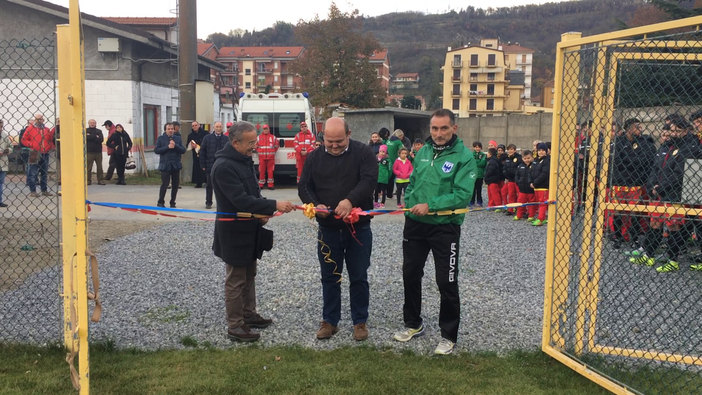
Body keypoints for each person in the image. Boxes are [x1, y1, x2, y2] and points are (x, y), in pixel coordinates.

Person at [393, 108, 476, 356]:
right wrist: (409, 205)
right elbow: (414, 183)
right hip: (416, 224)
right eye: (434, 128)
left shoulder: (465, 157)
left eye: (443, 128)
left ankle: (448, 335)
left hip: (444, 227)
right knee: (410, 274)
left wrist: (431, 206)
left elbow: (462, 195)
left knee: (446, 281)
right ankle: (413, 324)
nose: (438, 133)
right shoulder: (423, 151)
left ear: (454, 128)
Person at [211, 121, 295, 342]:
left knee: (249, 275)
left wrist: (262, 211)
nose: (255, 146)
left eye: (255, 141)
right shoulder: (224, 167)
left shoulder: (243, 160)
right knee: (236, 279)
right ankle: (235, 326)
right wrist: (273, 205)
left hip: (250, 229)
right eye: (250, 143)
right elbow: (240, 200)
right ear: (235, 142)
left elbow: (253, 194)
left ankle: (249, 315)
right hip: (234, 233)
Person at [298, 117, 377, 342]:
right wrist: (315, 204)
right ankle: (330, 321)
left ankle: (359, 321)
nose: (333, 146)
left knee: (359, 276)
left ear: (349, 134)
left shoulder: (364, 153)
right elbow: (304, 186)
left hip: (358, 229)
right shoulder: (314, 157)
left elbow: (370, 180)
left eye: (339, 141)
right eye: (329, 141)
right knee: (329, 276)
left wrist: (350, 200)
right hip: (328, 229)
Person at [631, 116, 698, 272]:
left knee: (673, 225)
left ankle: (672, 259)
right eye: (672, 130)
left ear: (686, 131)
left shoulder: (690, 148)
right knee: (655, 222)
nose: (673, 134)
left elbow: (679, 174)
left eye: (677, 131)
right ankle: (649, 254)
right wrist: (652, 186)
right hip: (659, 193)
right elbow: (656, 168)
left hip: (674, 193)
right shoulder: (667, 146)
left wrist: (659, 187)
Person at [609, 118, 655, 249]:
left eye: (640, 127)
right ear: (628, 129)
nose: (640, 129)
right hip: (619, 182)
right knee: (618, 211)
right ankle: (617, 237)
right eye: (636, 127)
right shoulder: (618, 142)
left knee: (635, 211)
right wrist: (633, 160)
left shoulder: (643, 142)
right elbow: (617, 161)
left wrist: (628, 159)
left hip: (635, 182)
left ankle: (634, 238)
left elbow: (644, 160)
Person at [21, 113, 54, 197]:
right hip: (34, 153)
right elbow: (24, 139)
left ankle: (44, 190)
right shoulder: (30, 129)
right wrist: (31, 144)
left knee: (44, 172)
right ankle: (33, 191)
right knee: (33, 173)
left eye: (40, 119)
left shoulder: (46, 129)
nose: (39, 121)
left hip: (45, 153)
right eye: (37, 119)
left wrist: (49, 146)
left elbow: (50, 139)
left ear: (43, 120)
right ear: (35, 120)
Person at [155, 122, 186, 208]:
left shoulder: (178, 138)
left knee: (175, 185)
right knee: (165, 184)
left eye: (172, 129)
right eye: (169, 129)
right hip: (165, 165)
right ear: (165, 130)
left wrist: (175, 146)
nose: (170, 130)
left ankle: (173, 202)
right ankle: (161, 201)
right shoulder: (161, 139)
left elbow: (183, 150)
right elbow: (157, 150)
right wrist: (167, 147)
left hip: (175, 165)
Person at [200, 121, 228, 209]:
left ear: (222, 128)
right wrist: (202, 164)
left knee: (222, 185)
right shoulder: (207, 138)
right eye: (217, 127)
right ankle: (208, 202)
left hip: (223, 166)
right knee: (209, 185)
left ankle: (223, 203)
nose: (218, 128)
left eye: (220, 127)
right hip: (210, 165)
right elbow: (202, 152)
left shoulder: (226, 139)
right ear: (213, 128)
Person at [529, 143, 550, 226]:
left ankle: (540, 219)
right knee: (540, 203)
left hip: (543, 186)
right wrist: (531, 182)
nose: (541, 152)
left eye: (543, 150)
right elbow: (531, 172)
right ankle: (544, 217)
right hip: (536, 186)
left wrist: (535, 182)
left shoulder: (547, 160)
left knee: (542, 203)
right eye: (539, 150)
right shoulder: (536, 160)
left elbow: (544, 174)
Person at [514, 150, 536, 221]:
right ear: (522, 158)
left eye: (528, 158)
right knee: (520, 203)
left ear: (532, 157)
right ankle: (519, 215)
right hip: (522, 189)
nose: (527, 160)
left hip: (530, 189)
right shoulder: (520, 166)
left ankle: (531, 216)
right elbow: (517, 174)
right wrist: (518, 182)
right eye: (525, 158)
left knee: (531, 204)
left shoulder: (534, 166)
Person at [256, 124, 278, 190]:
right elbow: (256, 146)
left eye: (267, 129)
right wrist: (260, 152)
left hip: (270, 158)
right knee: (261, 171)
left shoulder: (273, 137)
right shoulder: (259, 137)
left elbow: (276, 146)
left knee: (270, 171)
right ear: (263, 130)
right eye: (264, 129)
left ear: (269, 129)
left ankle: (270, 185)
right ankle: (261, 184)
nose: (265, 130)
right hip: (262, 158)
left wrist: (272, 153)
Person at [502, 144, 522, 216]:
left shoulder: (518, 158)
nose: (510, 151)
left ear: (515, 150)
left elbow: (519, 168)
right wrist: (506, 175)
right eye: (509, 149)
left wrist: (515, 175)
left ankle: (520, 209)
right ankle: (511, 209)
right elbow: (504, 168)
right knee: (511, 195)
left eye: (511, 149)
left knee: (520, 195)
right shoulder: (507, 159)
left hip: (517, 180)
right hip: (510, 180)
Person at [187, 121, 208, 188]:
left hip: (204, 153)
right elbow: (187, 145)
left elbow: (207, 142)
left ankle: (207, 181)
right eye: (193, 126)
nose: (194, 127)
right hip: (195, 154)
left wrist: (199, 145)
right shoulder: (190, 135)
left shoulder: (205, 133)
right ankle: (198, 182)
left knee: (205, 167)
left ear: (199, 126)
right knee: (197, 168)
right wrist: (191, 146)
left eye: (196, 125)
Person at [386, 129, 405, 198]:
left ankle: (387, 193)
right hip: (395, 162)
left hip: (387, 162)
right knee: (396, 178)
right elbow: (403, 150)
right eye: (402, 136)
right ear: (400, 135)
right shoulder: (398, 142)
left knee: (388, 178)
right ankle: (395, 193)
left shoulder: (388, 141)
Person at [85, 119, 105, 185]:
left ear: (95, 124)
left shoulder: (99, 131)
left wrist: (90, 136)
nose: (92, 124)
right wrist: (95, 136)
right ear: (88, 123)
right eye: (91, 122)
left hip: (98, 152)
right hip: (89, 152)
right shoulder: (85, 130)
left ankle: (100, 180)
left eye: (93, 123)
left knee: (99, 167)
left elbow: (101, 139)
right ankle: (88, 180)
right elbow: (85, 138)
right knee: (88, 167)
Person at [470, 141, 486, 207]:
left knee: (479, 189)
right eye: (476, 147)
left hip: (480, 174)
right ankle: (471, 201)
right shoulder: (471, 154)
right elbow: (471, 163)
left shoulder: (483, 155)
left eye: (479, 147)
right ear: (474, 147)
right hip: (472, 174)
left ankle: (479, 201)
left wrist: (476, 163)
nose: (477, 148)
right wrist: (477, 162)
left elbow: (483, 163)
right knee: (472, 189)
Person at [375, 144, 390, 208]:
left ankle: (382, 202)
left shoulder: (387, 160)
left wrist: (387, 176)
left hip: (384, 178)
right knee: (376, 190)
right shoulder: (376, 159)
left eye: (383, 151)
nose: (381, 153)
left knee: (383, 191)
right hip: (377, 177)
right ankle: (376, 201)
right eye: (380, 151)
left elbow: (390, 169)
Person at [0, 119, 10, 207]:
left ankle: (0, 201)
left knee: (0, 182)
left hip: (2, 161)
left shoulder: (4, 135)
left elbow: (10, 146)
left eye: (1, 126)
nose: (0, 128)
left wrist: (7, 150)